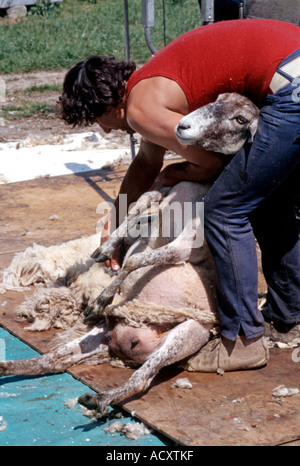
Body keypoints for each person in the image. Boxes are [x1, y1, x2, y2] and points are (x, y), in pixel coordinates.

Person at [59, 19, 300, 369]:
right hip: (292, 71)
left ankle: (244, 342)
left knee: (225, 211)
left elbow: (208, 164)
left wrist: (170, 176)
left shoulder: (141, 108)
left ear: (105, 107)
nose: (104, 129)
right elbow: (145, 163)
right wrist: (118, 219)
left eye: (98, 121)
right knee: (268, 200)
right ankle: (289, 313)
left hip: (291, 92)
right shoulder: (147, 87)